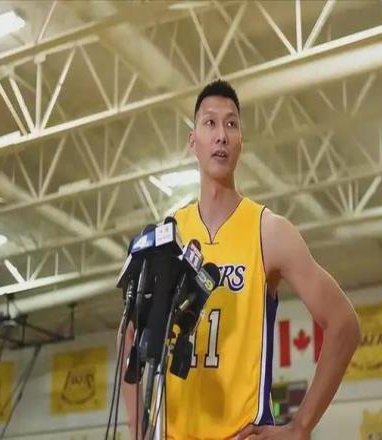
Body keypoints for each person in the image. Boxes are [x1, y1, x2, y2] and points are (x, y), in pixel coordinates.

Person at [119, 79, 361, 439]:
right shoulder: (169, 235)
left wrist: (300, 427)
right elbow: (130, 331)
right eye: (210, 123)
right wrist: (137, 426)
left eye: (231, 124)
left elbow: (344, 325)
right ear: (193, 142)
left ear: (240, 143)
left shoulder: (269, 232)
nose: (221, 135)